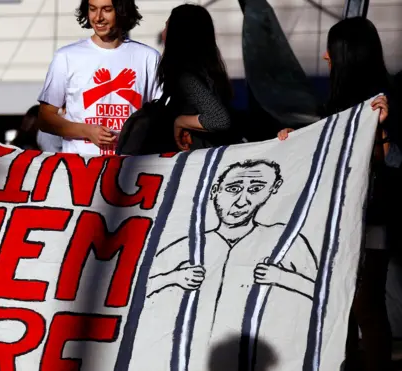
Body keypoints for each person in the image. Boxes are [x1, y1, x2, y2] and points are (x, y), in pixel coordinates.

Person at [276, 17, 396, 371]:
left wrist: (384, 132)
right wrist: (293, 139)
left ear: (346, 55)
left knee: (364, 303)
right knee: (340, 303)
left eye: (333, 49)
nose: (326, 57)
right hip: (343, 220)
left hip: (373, 218)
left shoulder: (387, 103)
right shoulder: (339, 105)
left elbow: (393, 162)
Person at [148, 160, 318, 370]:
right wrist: (174, 277)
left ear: (272, 191)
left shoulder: (284, 240)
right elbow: (136, 291)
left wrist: (282, 278)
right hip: (194, 358)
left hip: (261, 358)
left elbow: (327, 294)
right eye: (233, 189)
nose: (241, 201)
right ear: (215, 190)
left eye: (256, 189)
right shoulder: (190, 244)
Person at [37, 0, 161, 155]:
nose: (98, 17)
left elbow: (160, 117)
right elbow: (45, 118)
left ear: (122, 11)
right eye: (92, 9)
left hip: (131, 168)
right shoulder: (66, 56)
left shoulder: (148, 57)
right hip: (81, 168)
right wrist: (86, 130)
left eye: (107, 9)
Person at [158, 4, 234, 151]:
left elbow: (219, 119)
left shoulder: (187, 78)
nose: (162, 34)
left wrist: (180, 122)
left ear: (178, 35)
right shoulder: (209, 72)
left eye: (167, 27)